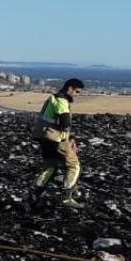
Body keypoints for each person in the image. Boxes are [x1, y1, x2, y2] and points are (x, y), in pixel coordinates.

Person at [34, 78, 85, 206]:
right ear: (70, 88)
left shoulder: (52, 99)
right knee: (74, 165)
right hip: (54, 139)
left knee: (50, 167)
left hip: (43, 138)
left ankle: (35, 192)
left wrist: (71, 138)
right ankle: (66, 197)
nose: (77, 95)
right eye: (77, 92)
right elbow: (65, 123)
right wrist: (68, 141)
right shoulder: (62, 101)